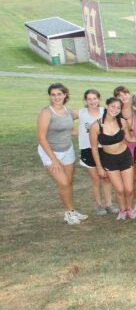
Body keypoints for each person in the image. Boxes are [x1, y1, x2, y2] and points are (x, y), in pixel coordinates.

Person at [37, 83, 87, 225]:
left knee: (69, 182)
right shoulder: (46, 113)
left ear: (65, 95)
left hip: (67, 150)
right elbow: (41, 138)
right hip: (50, 153)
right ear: (49, 96)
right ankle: (70, 212)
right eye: (53, 94)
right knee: (64, 183)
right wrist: (54, 160)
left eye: (59, 94)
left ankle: (71, 211)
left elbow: (86, 115)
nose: (56, 97)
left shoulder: (68, 110)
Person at [89, 97, 136, 220]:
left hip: (125, 156)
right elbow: (94, 148)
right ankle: (122, 210)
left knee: (129, 189)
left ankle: (130, 209)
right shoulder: (96, 126)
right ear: (107, 106)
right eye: (112, 106)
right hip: (109, 160)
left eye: (118, 108)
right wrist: (99, 167)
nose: (115, 109)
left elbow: (129, 139)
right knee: (119, 189)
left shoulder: (122, 122)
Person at [78, 89, 114, 215]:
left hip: (103, 148)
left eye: (94, 98)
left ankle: (109, 204)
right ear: (85, 101)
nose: (92, 101)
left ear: (99, 99)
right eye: (89, 99)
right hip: (87, 149)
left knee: (107, 178)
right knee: (95, 179)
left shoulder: (105, 111)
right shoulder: (81, 113)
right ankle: (99, 205)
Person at [115, 85, 136, 213]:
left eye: (125, 93)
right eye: (119, 95)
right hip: (125, 146)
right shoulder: (116, 110)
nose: (123, 97)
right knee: (133, 175)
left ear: (129, 94)